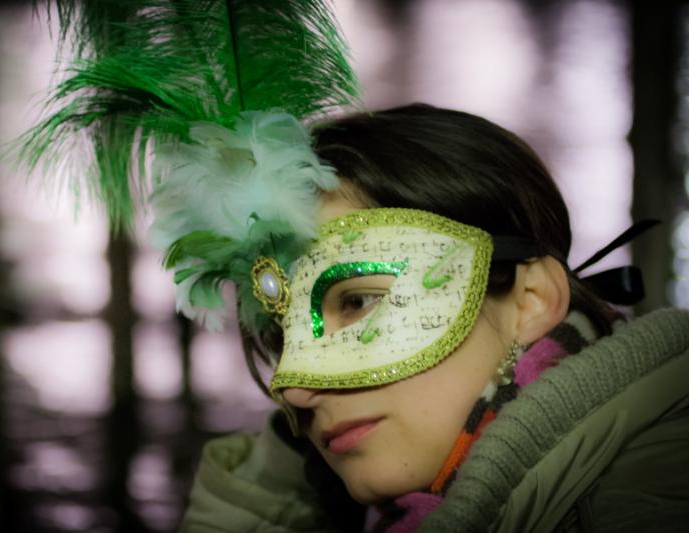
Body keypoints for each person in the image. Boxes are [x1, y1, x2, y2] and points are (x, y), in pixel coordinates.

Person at [179, 104, 689, 532]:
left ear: (531, 299)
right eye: (281, 335)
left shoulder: (653, 494)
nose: (293, 392)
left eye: (357, 302)